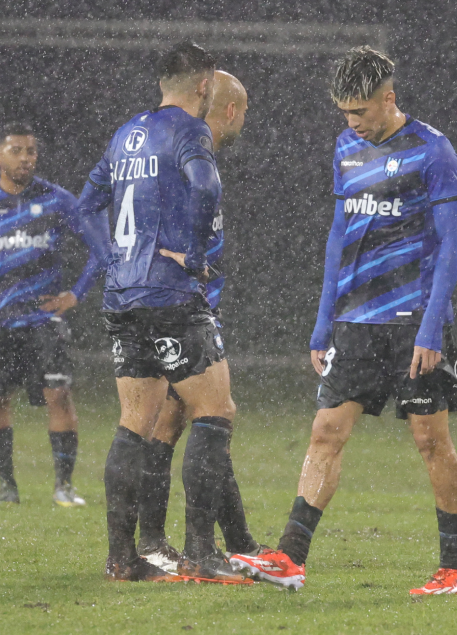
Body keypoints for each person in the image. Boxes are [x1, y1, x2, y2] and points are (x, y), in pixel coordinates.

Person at [229, 46, 457, 596]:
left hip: (414, 322)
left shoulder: (432, 151)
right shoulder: (345, 148)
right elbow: (339, 235)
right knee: (326, 431)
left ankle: (456, 570)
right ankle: (291, 558)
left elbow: (452, 246)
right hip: (356, 320)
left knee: (431, 442)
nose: (351, 121)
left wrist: (433, 328)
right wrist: (323, 322)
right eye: (344, 112)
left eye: (359, 111)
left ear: (389, 98)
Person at [75, 41, 250, 583]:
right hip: (169, 295)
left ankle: (122, 558)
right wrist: (193, 257)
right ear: (203, 86)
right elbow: (206, 184)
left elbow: (84, 206)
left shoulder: (127, 133)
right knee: (215, 412)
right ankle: (202, 551)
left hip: (122, 297)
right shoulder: (189, 131)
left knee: (135, 422)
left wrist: (112, 258)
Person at [135, 70, 261, 573]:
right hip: (177, 304)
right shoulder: (186, 155)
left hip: (184, 302)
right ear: (229, 110)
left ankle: (234, 541)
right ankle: (183, 546)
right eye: (244, 110)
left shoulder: (169, 147)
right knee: (199, 414)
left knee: (197, 415)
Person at [0, 122, 101, 508]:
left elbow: (101, 251)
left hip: (43, 320)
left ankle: (64, 486)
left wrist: (75, 294)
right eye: (16, 150)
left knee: (59, 396)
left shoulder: (57, 200)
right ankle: (6, 488)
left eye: (31, 151)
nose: (25, 158)